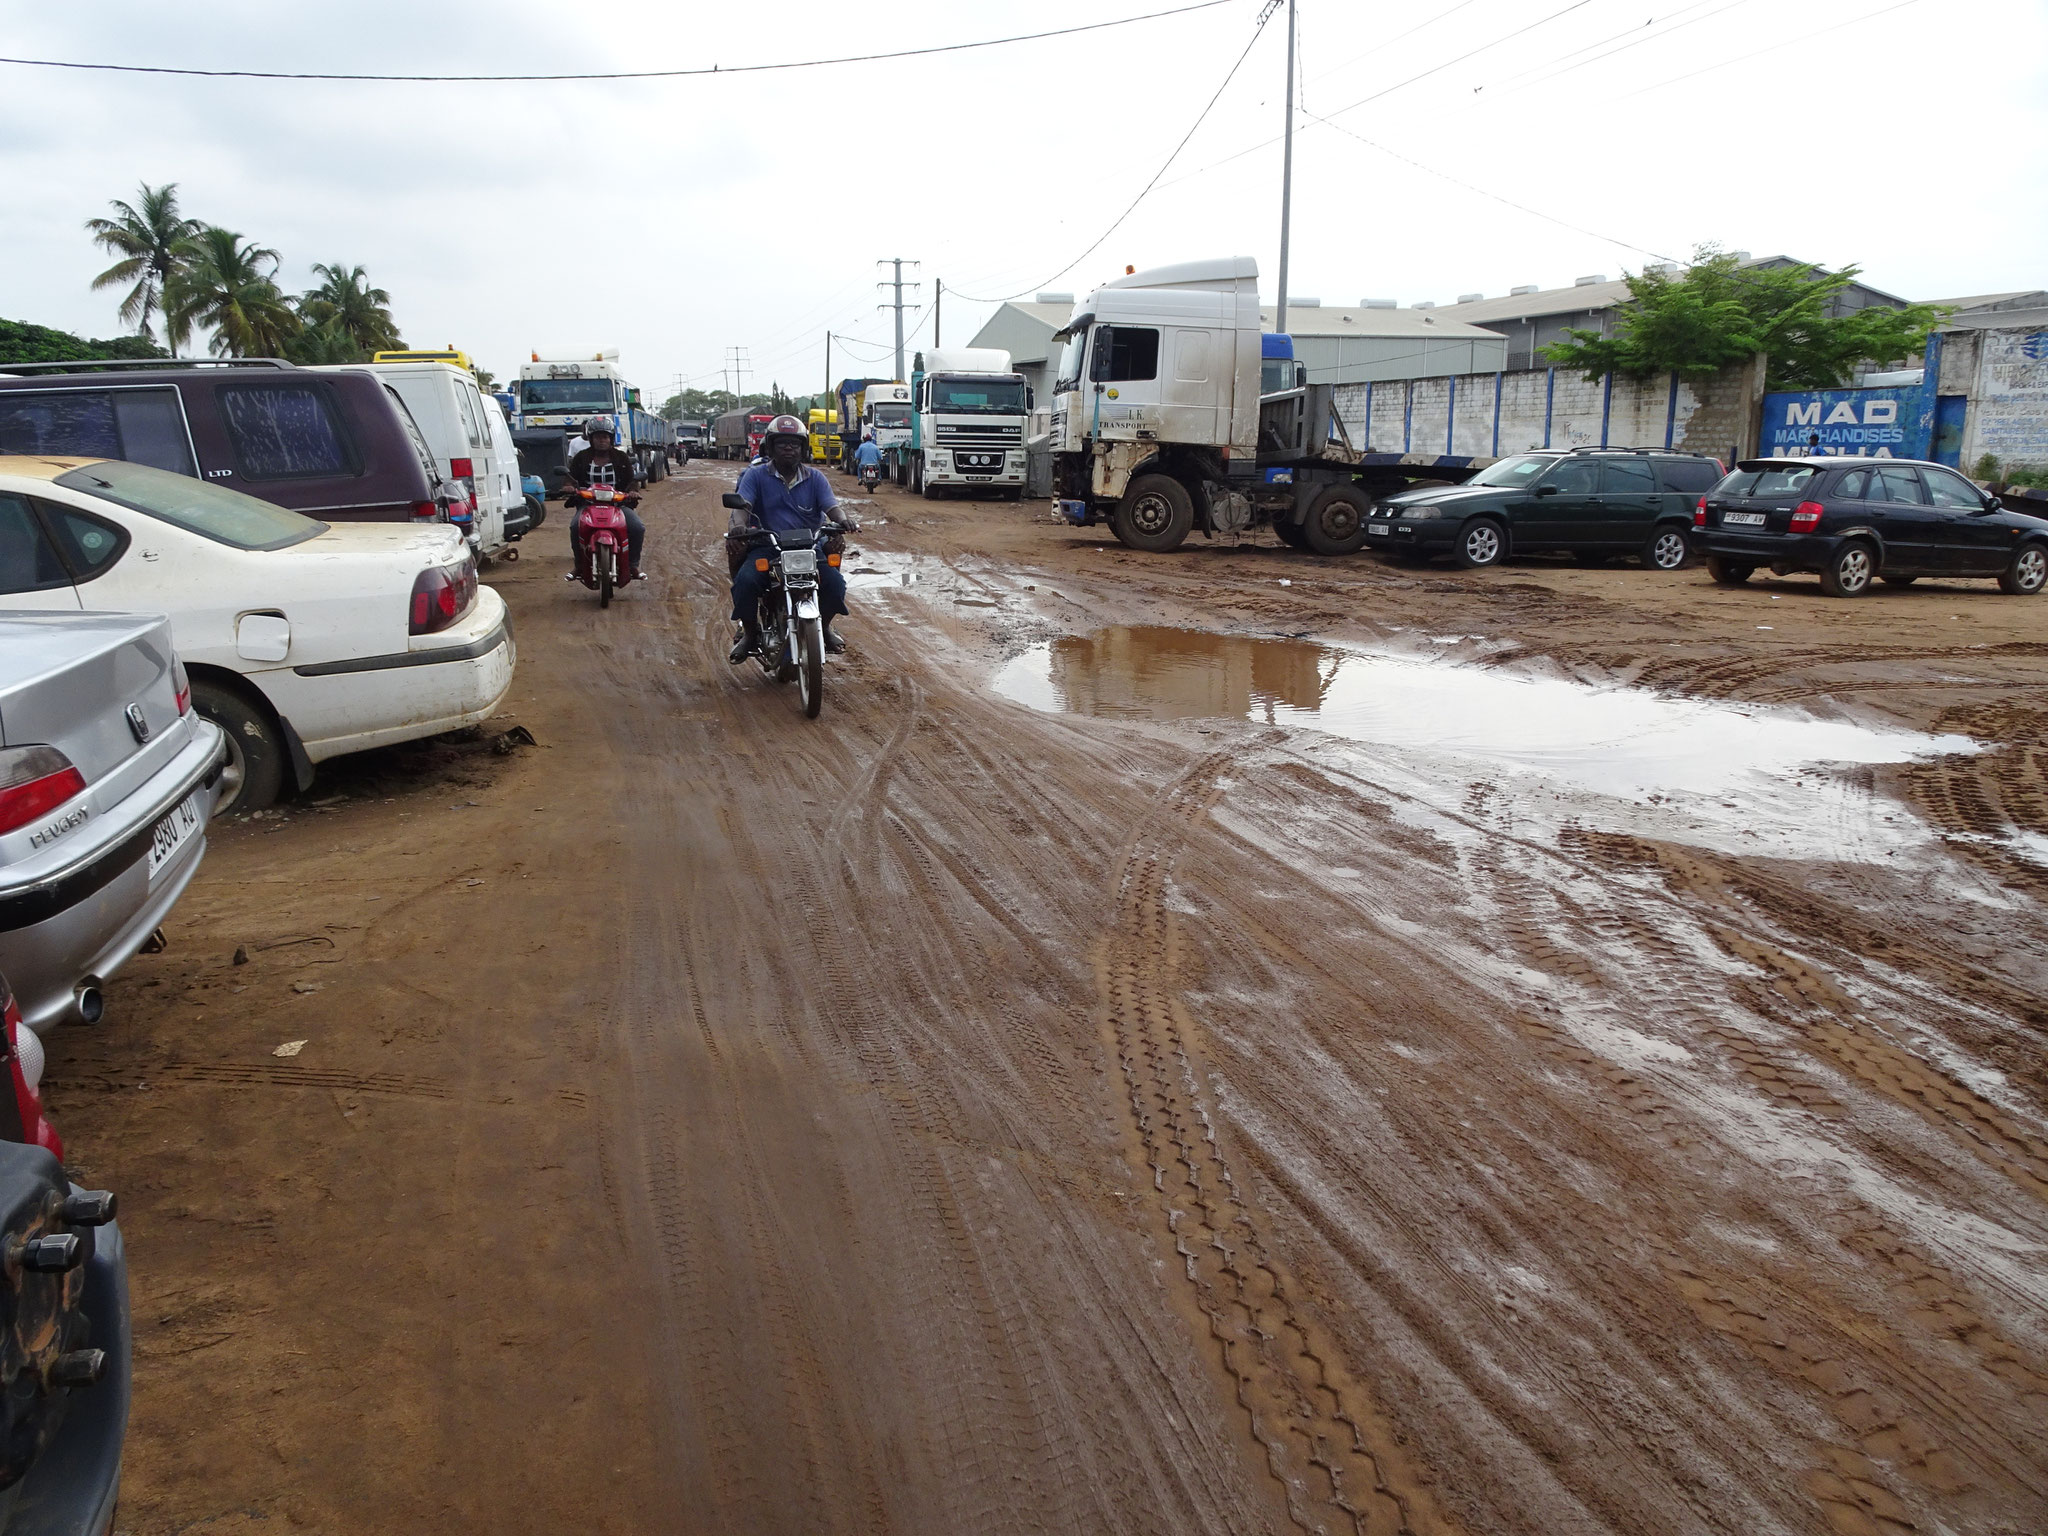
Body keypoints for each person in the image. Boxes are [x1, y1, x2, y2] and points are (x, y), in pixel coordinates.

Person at [728, 414, 854, 662]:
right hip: (768, 548)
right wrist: (739, 526)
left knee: (835, 585)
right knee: (745, 583)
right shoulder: (755, 476)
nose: (789, 448)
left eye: (794, 443)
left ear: (803, 448)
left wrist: (842, 521)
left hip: (808, 550)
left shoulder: (816, 478)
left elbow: (832, 508)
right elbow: (741, 508)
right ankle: (750, 633)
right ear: (771, 446)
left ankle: (825, 627)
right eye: (782, 443)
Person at [564, 416, 646, 577]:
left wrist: (633, 491)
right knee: (575, 527)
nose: (601, 440)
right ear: (590, 439)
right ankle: (579, 566)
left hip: (618, 505)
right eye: (597, 437)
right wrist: (569, 487)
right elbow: (570, 479)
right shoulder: (581, 457)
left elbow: (632, 481)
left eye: (605, 437)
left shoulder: (621, 457)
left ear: (611, 438)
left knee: (637, 528)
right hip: (587, 504)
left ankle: (633, 566)